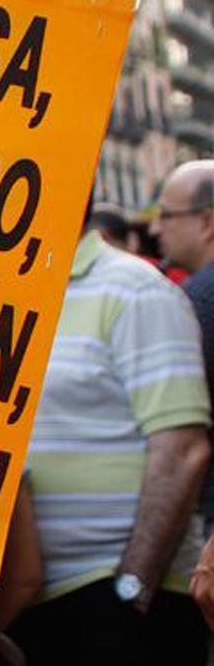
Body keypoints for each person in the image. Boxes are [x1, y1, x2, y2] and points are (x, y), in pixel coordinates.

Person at [11, 211, 211, 666]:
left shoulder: (134, 291)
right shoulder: (9, 287)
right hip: (32, 603)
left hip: (116, 601)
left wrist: (131, 591)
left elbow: (183, 448)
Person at [151, 159, 214, 525]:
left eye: (167, 215)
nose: (157, 228)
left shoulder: (197, 302)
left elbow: (181, 431)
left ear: (206, 222)